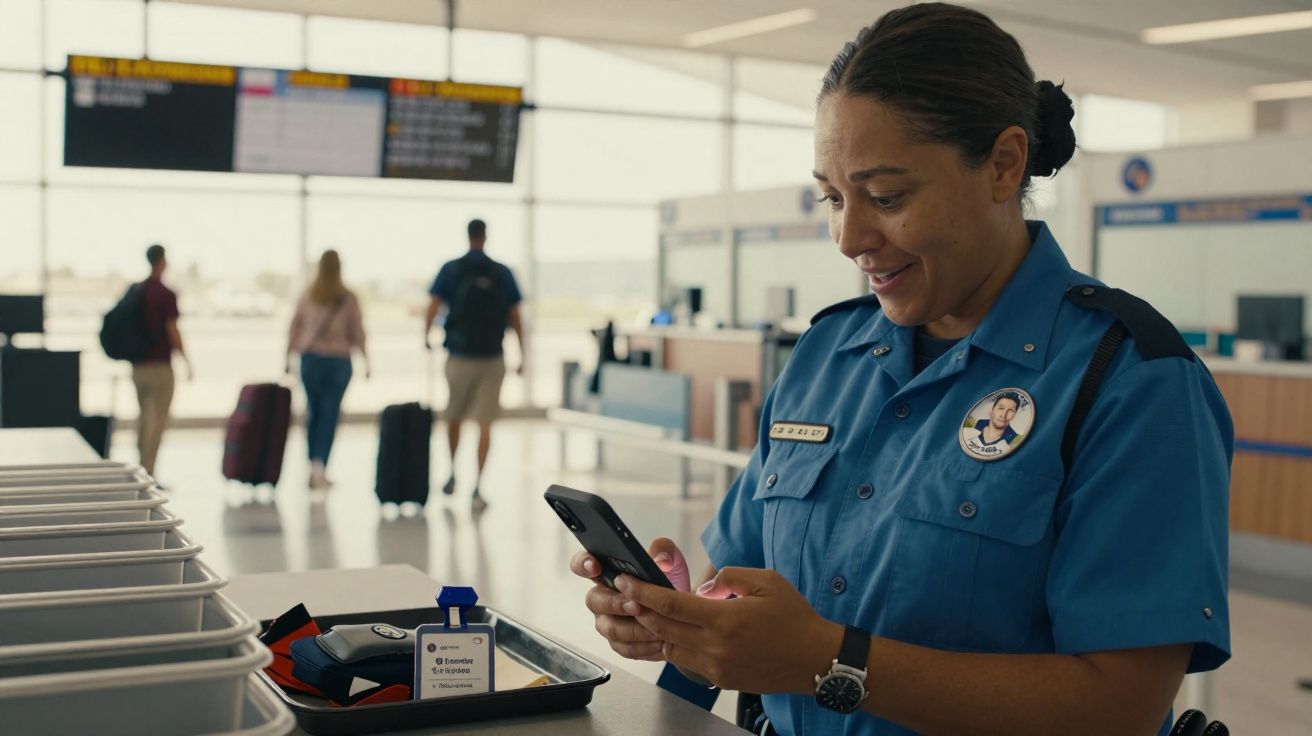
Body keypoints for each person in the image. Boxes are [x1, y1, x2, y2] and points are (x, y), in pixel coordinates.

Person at [569, 4, 1232, 735]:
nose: (850, 237)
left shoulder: (1131, 382)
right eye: (832, 197)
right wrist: (682, 623)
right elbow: (743, 593)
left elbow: (1120, 707)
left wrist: (830, 661)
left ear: (1003, 165)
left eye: (886, 197)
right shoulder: (827, 357)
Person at [423, 219, 525, 512]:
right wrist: (522, 353)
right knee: (485, 423)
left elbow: (433, 304)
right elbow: (515, 314)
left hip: (459, 355)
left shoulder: (452, 269)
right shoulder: (501, 271)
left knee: (453, 416)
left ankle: (453, 472)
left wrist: (426, 335)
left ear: (468, 236)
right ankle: (478, 486)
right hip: (492, 356)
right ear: (486, 236)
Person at [286, 250, 369, 490]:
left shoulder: (308, 295)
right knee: (330, 414)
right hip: (338, 362)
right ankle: (322, 467)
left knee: (313, 413)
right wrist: (366, 358)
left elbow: (294, 327)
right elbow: (358, 330)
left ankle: (312, 464)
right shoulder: (348, 297)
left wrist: (288, 355)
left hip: (311, 360)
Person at [132, 243, 191, 478]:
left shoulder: (136, 290)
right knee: (156, 421)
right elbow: (172, 330)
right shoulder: (165, 294)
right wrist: (186, 359)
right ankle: (149, 472)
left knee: (144, 417)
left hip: (138, 367)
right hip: (159, 366)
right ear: (162, 261)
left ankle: (140, 468)